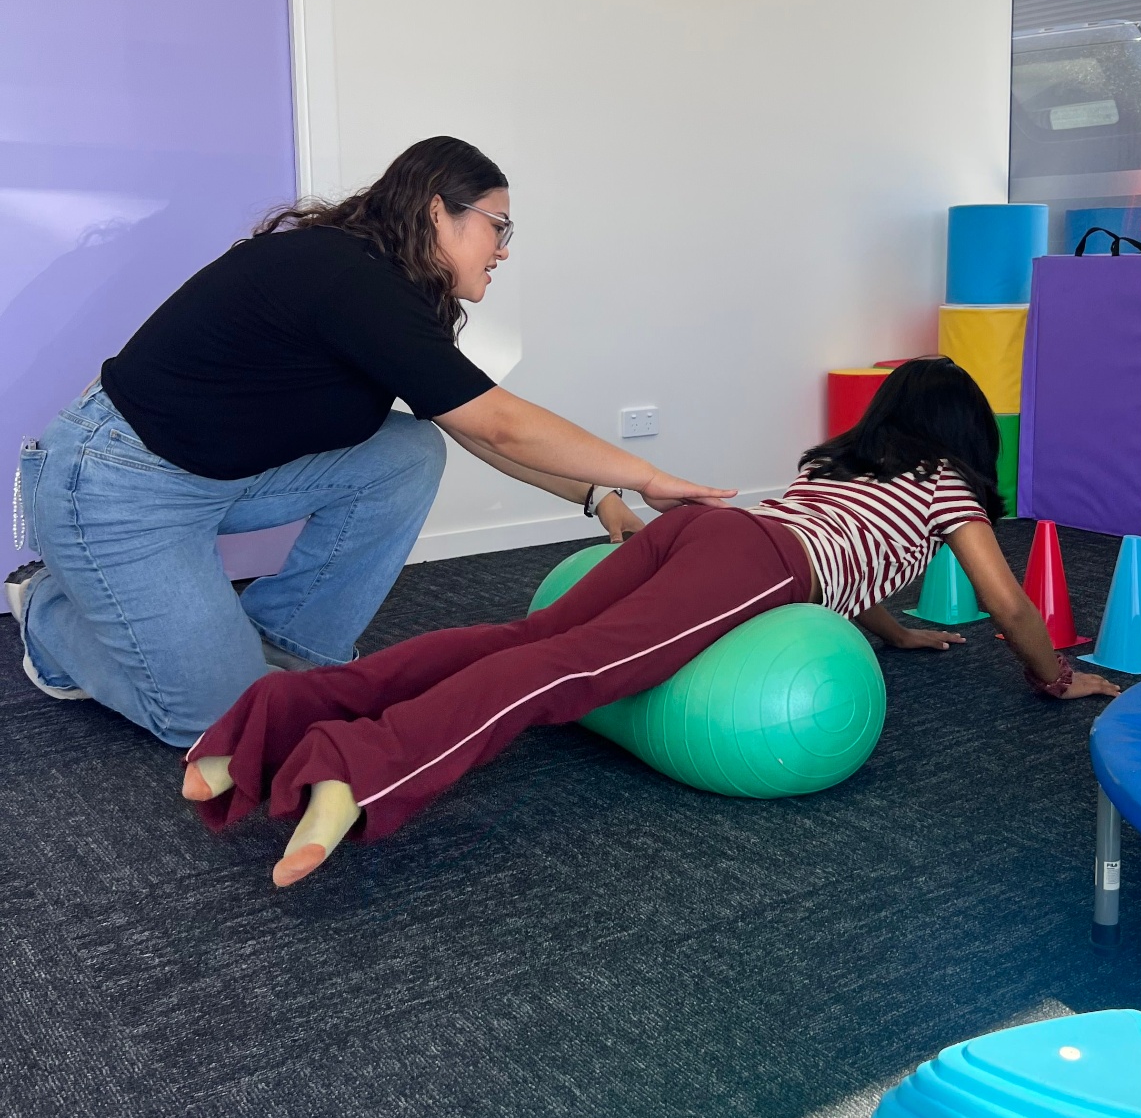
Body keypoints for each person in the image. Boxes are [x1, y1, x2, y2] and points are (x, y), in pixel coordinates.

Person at [183, 357, 1118, 886]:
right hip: (757, 563)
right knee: (569, 671)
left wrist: (898, 633)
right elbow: (1004, 600)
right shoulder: (946, 482)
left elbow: (852, 559)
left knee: (523, 641)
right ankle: (361, 764)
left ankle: (274, 718)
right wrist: (1051, 675)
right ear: (966, 431)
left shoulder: (840, 467)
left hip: (715, 535)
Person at [5, 137, 730, 749]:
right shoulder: (347, 278)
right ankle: (47, 615)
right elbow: (501, 421)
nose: (505, 250)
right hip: (115, 482)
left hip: (222, 479)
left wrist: (597, 493)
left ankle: (286, 648)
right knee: (221, 726)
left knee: (406, 451)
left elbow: (464, 421)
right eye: (497, 227)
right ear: (435, 209)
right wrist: (647, 476)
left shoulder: (392, 291)